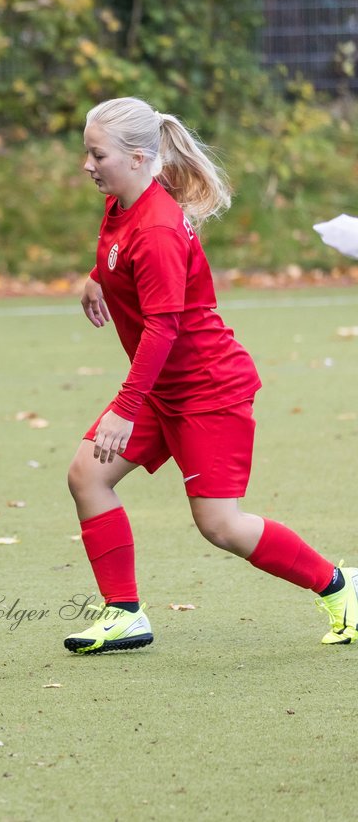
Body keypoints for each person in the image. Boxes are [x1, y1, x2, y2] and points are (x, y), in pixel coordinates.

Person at [63, 96, 356, 654]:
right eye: (88, 152)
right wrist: (96, 276)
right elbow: (120, 256)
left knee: (221, 525)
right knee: (87, 476)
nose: (87, 164)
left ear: (138, 156)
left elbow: (163, 328)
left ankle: (341, 589)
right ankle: (124, 613)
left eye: (97, 154)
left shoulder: (158, 227)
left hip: (207, 391)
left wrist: (125, 409)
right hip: (162, 387)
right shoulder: (123, 203)